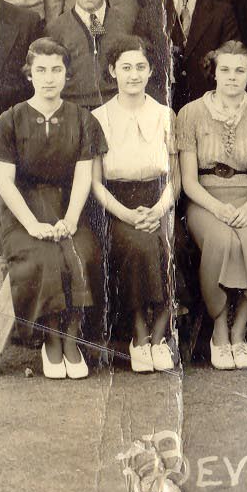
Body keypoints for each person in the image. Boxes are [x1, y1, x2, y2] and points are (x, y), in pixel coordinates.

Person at [0, 40, 102, 377]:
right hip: (21, 209)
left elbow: (83, 176)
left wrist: (72, 219)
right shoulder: (11, 119)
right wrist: (32, 225)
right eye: (41, 70)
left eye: (56, 70)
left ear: (66, 75)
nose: (49, 78)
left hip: (65, 204)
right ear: (29, 74)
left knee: (83, 253)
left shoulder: (81, 119)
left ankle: (72, 341)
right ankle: (50, 341)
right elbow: (5, 181)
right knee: (43, 257)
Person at [181, 43, 247, 369]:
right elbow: (188, 182)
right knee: (222, 240)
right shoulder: (191, 113)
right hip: (206, 199)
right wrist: (216, 208)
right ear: (213, 71)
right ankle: (218, 330)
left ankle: (239, 331)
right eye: (224, 69)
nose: (231, 77)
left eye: (239, 70)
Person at [89, 47, 184, 372]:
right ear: (113, 70)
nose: (133, 74)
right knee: (136, 245)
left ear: (150, 71)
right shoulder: (99, 118)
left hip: (159, 201)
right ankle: (139, 335)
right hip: (117, 205)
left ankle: (160, 336)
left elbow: (176, 177)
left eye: (140, 66)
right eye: (125, 67)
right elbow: (96, 183)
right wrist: (127, 215)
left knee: (177, 245)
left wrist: (158, 210)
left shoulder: (164, 115)